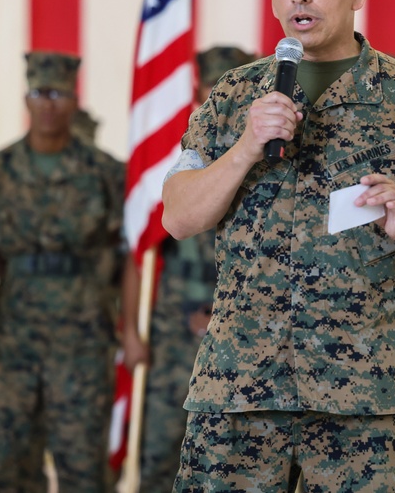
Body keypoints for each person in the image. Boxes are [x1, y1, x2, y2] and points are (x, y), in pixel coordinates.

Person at [160, 0, 395, 492]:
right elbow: (180, 217)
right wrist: (245, 147)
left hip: (366, 400)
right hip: (241, 391)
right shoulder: (235, 96)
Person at [0, 52, 126, 492]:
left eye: (58, 93)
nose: (48, 103)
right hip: (16, 334)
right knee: (9, 460)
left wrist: (127, 327)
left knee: (82, 465)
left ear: (74, 100)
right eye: (40, 92)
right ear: (26, 97)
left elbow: (125, 258)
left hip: (82, 337)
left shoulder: (106, 173)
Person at [121, 45, 255, 491]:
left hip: (241, 337)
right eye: (211, 83)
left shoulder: (265, 154)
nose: (221, 92)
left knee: (233, 464)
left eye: (229, 82)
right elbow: (140, 249)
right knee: (160, 453)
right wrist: (132, 332)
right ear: (196, 88)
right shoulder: (175, 154)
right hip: (172, 337)